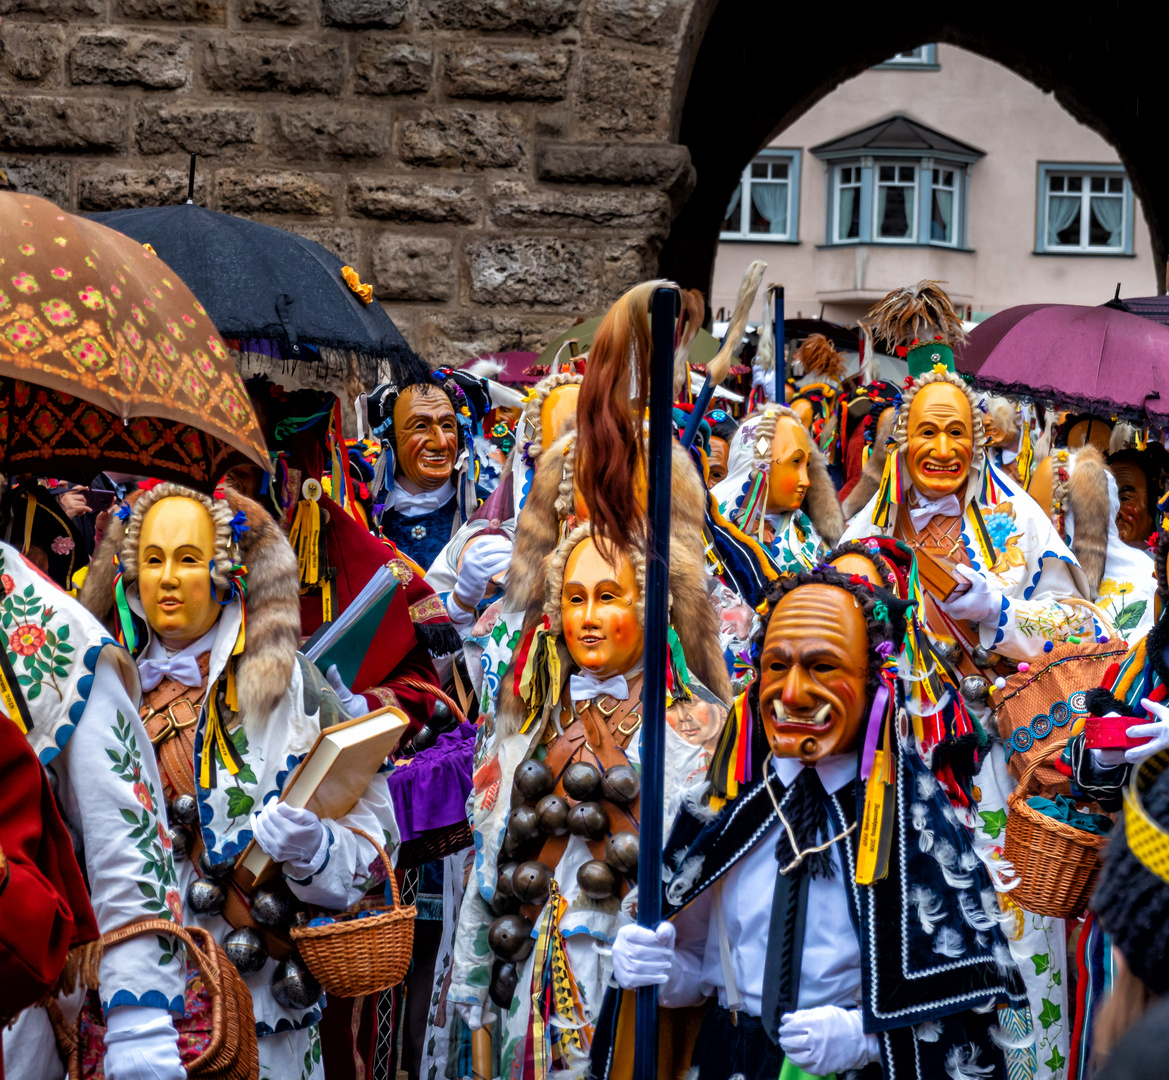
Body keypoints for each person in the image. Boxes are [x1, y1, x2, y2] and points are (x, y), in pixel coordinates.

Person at [605, 567, 1032, 1080]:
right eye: (776, 666)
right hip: (730, 1061)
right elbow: (695, 967)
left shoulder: (916, 827)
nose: (794, 692)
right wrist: (660, 970)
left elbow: (960, 1009)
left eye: (823, 666)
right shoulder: (721, 810)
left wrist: (867, 1041)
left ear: (874, 680)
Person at [79, 481, 399, 1078]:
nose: (168, 578)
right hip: (127, 1004)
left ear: (224, 571)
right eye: (153, 559)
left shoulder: (292, 685)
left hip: (260, 1001)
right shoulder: (94, 686)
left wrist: (317, 849)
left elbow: (377, 828)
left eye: (188, 558)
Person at [448, 524, 728, 1077]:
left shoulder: (705, 731)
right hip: (527, 989)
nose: (589, 617)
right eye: (575, 599)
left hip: (637, 993)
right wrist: (471, 976)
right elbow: (491, 864)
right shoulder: (526, 724)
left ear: (652, 607)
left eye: (608, 597)